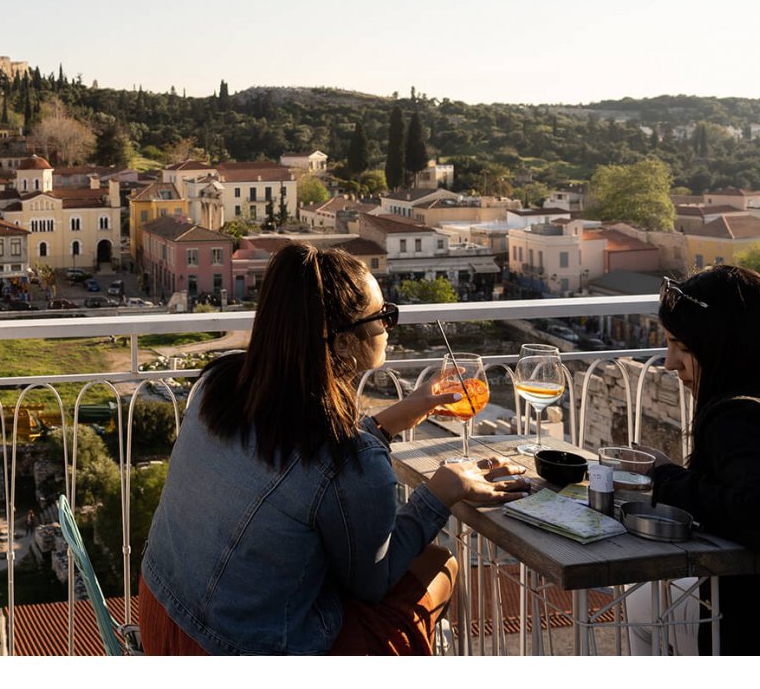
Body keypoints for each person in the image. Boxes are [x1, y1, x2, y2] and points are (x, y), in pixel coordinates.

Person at [138, 243, 529, 655]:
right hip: (237, 650)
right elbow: (371, 584)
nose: (388, 326)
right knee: (438, 566)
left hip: (161, 617)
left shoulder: (219, 383)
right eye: (383, 317)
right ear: (343, 344)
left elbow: (303, 451)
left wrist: (390, 420)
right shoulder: (352, 461)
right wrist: (441, 491)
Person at [629, 266, 760, 655]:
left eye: (682, 347)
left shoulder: (738, 418)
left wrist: (664, 478)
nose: (669, 363)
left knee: (642, 601)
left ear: (726, 349)